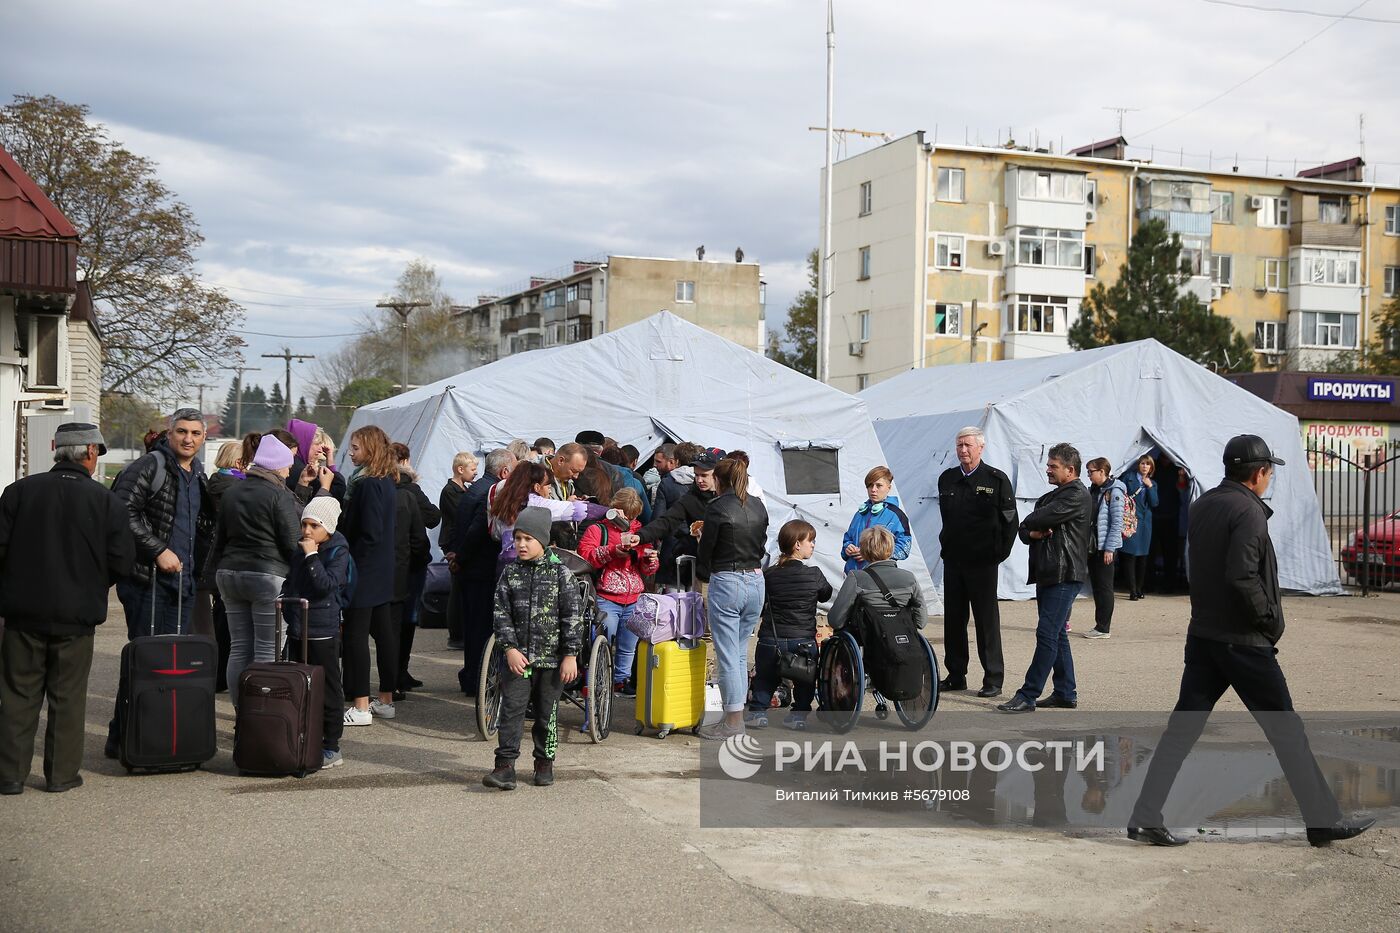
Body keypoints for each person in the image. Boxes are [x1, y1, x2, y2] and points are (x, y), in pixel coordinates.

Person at [1128, 435, 1375, 848]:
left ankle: (1145, 816)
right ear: (1260, 474)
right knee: (1287, 731)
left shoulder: (1204, 503)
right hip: (1242, 641)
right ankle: (1322, 820)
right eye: (1270, 471)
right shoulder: (1248, 511)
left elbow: (1202, 568)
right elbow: (1241, 575)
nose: (1270, 477)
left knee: (1181, 731)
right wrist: (1269, 621)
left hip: (1205, 635)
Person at [0, 423, 133, 795]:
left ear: (56, 448)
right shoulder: (106, 501)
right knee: (68, 697)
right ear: (90, 453)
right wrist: (92, 584)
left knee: (16, 695)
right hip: (78, 615)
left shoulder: (19, 492)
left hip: (23, 613)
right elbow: (122, 561)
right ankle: (61, 776)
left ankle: (10, 775)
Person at [105, 408, 216, 758]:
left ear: (203, 438)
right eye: (182, 432)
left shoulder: (197, 473)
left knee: (170, 666)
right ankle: (124, 738)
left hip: (182, 586)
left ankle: (158, 736)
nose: (188, 439)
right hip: (146, 582)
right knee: (143, 660)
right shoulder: (150, 466)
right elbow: (121, 511)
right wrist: (157, 551)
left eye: (195, 434)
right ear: (169, 434)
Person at [482, 507, 581, 791]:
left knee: (545, 713)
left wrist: (570, 655)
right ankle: (504, 767)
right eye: (518, 538)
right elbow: (501, 615)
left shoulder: (562, 574)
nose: (521, 544)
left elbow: (572, 617)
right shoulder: (510, 574)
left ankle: (544, 761)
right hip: (518, 661)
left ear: (543, 541)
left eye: (528, 539)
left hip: (551, 661)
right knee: (511, 710)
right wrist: (509, 648)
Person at [997, 443, 1090, 714]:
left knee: (1047, 633)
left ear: (1070, 470)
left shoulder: (1075, 494)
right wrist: (1032, 530)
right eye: (1048, 465)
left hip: (1064, 573)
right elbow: (1025, 529)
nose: (1047, 470)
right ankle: (1065, 692)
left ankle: (1028, 694)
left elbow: (1037, 517)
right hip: (1049, 572)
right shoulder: (1054, 496)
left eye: (1053, 466)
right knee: (1057, 633)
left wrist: (1031, 524)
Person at [214, 434, 307, 703]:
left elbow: (219, 539)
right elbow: (292, 542)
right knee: (268, 650)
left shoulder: (231, 491)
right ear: (276, 465)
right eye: (287, 465)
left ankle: (241, 715)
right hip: (267, 576)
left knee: (239, 648)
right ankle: (260, 718)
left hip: (230, 575)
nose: (289, 471)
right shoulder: (278, 495)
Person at [936, 426, 1017, 698]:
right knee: (954, 620)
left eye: (968, 445)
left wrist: (997, 554)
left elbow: (1010, 522)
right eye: (959, 445)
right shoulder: (947, 479)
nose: (963, 450)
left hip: (983, 563)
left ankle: (993, 678)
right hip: (954, 561)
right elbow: (946, 518)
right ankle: (956, 674)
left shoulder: (996, 479)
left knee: (986, 622)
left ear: (981, 447)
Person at [695, 457, 769, 740]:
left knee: (727, 655)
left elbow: (708, 551)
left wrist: (701, 546)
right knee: (738, 652)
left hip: (727, 579)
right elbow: (761, 545)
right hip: (755, 579)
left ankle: (732, 722)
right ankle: (735, 717)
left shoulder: (716, 508)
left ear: (719, 480)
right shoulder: (758, 505)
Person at [281, 496, 352, 769]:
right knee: (300, 685)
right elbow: (293, 581)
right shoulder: (301, 549)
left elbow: (326, 585)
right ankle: (304, 737)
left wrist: (311, 555)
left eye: (314, 525)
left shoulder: (337, 550)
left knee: (328, 687)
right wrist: (287, 602)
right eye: (304, 524)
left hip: (323, 629)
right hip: (299, 627)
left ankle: (331, 745)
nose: (307, 531)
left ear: (329, 528)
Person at [748, 520, 833, 731]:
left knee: (764, 677)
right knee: (805, 679)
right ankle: (798, 717)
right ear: (797, 544)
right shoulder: (814, 574)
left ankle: (759, 712)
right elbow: (827, 594)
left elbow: (759, 604)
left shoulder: (769, 575)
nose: (813, 545)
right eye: (810, 541)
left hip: (771, 639)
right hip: (803, 641)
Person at [340, 425, 398, 726]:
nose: (351, 453)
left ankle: (361, 705)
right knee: (383, 633)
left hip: (365, 569)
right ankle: (385, 699)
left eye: (356, 448)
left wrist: (350, 565)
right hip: (381, 568)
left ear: (370, 450)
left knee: (355, 636)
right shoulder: (385, 480)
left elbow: (369, 532)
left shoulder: (367, 484)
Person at [578, 487, 657, 695]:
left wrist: (650, 561)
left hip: (634, 597)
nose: (629, 520)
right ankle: (596, 679)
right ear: (614, 509)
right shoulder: (598, 530)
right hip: (607, 597)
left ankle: (620, 681)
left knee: (628, 646)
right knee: (603, 639)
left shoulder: (640, 532)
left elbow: (647, 570)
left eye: (633, 516)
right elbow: (585, 557)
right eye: (625, 514)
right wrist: (612, 551)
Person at [450, 448, 516, 693]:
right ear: (504, 471)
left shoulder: (477, 488)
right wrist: (461, 558)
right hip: (481, 570)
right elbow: (476, 531)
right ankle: (476, 679)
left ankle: (472, 677)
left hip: (472, 569)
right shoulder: (490, 493)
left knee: (474, 629)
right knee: (481, 629)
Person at [390, 442, 441, 701]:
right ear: (405, 461)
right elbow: (434, 517)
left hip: (384, 563)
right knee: (407, 620)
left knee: (388, 622)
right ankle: (399, 672)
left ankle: (395, 674)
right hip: (410, 563)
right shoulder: (411, 489)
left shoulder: (370, 486)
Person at [488, 462, 608, 565]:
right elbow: (582, 510)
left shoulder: (504, 502)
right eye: (547, 485)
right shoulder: (536, 504)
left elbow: (496, 534)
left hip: (504, 563)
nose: (550, 489)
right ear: (536, 487)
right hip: (525, 565)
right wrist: (610, 512)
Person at [197, 438, 245, 691]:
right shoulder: (235, 487)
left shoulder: (215, 481)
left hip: (212, 560)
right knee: (226, 624)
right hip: (226, 560)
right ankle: (219, 675)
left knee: (217, 620)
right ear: (239, 462)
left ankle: (214, 673)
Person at [1081, 457, 1126, 640]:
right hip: (1093, 545)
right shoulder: (1096, 489)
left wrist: (1110, 548)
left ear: (1102, 471)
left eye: (1091, 471)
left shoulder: (1114, 491)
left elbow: (1117, 522)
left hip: (1104, 547)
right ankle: (1100, 625)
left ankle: (1103, 627)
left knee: (1104, 587)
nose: (1089, 475)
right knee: (1097, 586)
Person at [841, 465, 911, 572]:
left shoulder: (897, 515)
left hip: (878, 577)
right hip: (853, 575)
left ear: (889, 487)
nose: (873, 490)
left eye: (879, 485)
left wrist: (870, 554)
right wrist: (848, 547)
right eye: (870, 485)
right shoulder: (860, 513)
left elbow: (904, 548)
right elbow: (848, 538)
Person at [439, 451, 477, 650]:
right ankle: (455, 634)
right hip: (452, 542)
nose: (475, 473)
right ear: (460, 470)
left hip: (458, 541)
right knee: (456, 588)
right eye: (472, 469)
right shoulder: (450, 491)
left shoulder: (463, 489)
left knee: (461, 587)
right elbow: (460, 515)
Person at [1121, 455, 1158, 601]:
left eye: (1148, 464)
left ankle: (1139, 588)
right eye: (1142, 463)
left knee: (1143, 556)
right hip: (1130, 520)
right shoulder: (1128, 478)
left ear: (1151, 468)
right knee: (1129, 555)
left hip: (1144, 523)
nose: (1144, 466)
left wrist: (1149, 487)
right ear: (1138, 465)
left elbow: (1154, 503)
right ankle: (1132, 589)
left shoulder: (1152, 483)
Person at [285, 419, 347, 504]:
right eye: (316, 444)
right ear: (303, 443)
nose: (320, 450)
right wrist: (331, 466)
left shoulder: (286, 465)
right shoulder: (302, 472)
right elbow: (336, 495)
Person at [544, 442, 590, 549]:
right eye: (573, 471)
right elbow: (537, 511)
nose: (576, 477)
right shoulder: (536, 474)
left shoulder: (567, 481)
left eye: (579, 472)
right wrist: (567, 505)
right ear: (561, 460)